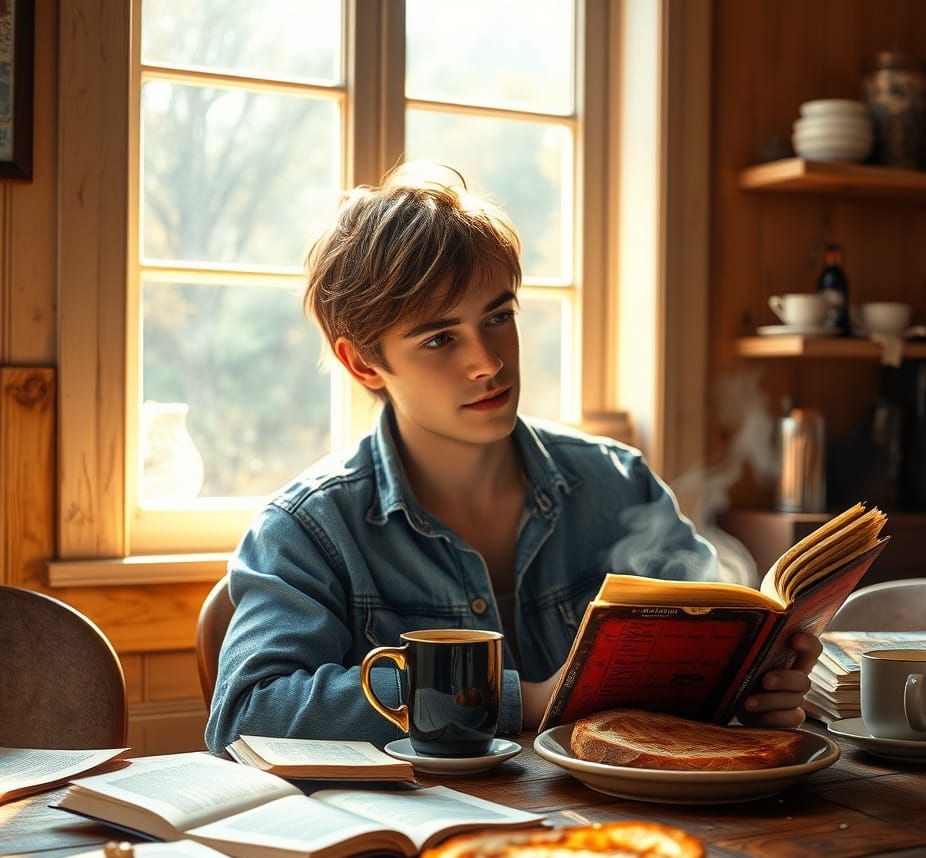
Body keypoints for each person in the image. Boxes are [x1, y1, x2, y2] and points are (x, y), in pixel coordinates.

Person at [204, 164, 818, 754]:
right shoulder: (311, 528)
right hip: (430, 840)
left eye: (498, 317)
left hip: (620, 831)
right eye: (440, 338)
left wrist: (756, 689)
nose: (489, 362)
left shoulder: (617, 482)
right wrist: (515, 699)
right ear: (363, 363)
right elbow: (246, 712)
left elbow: (712, 642)